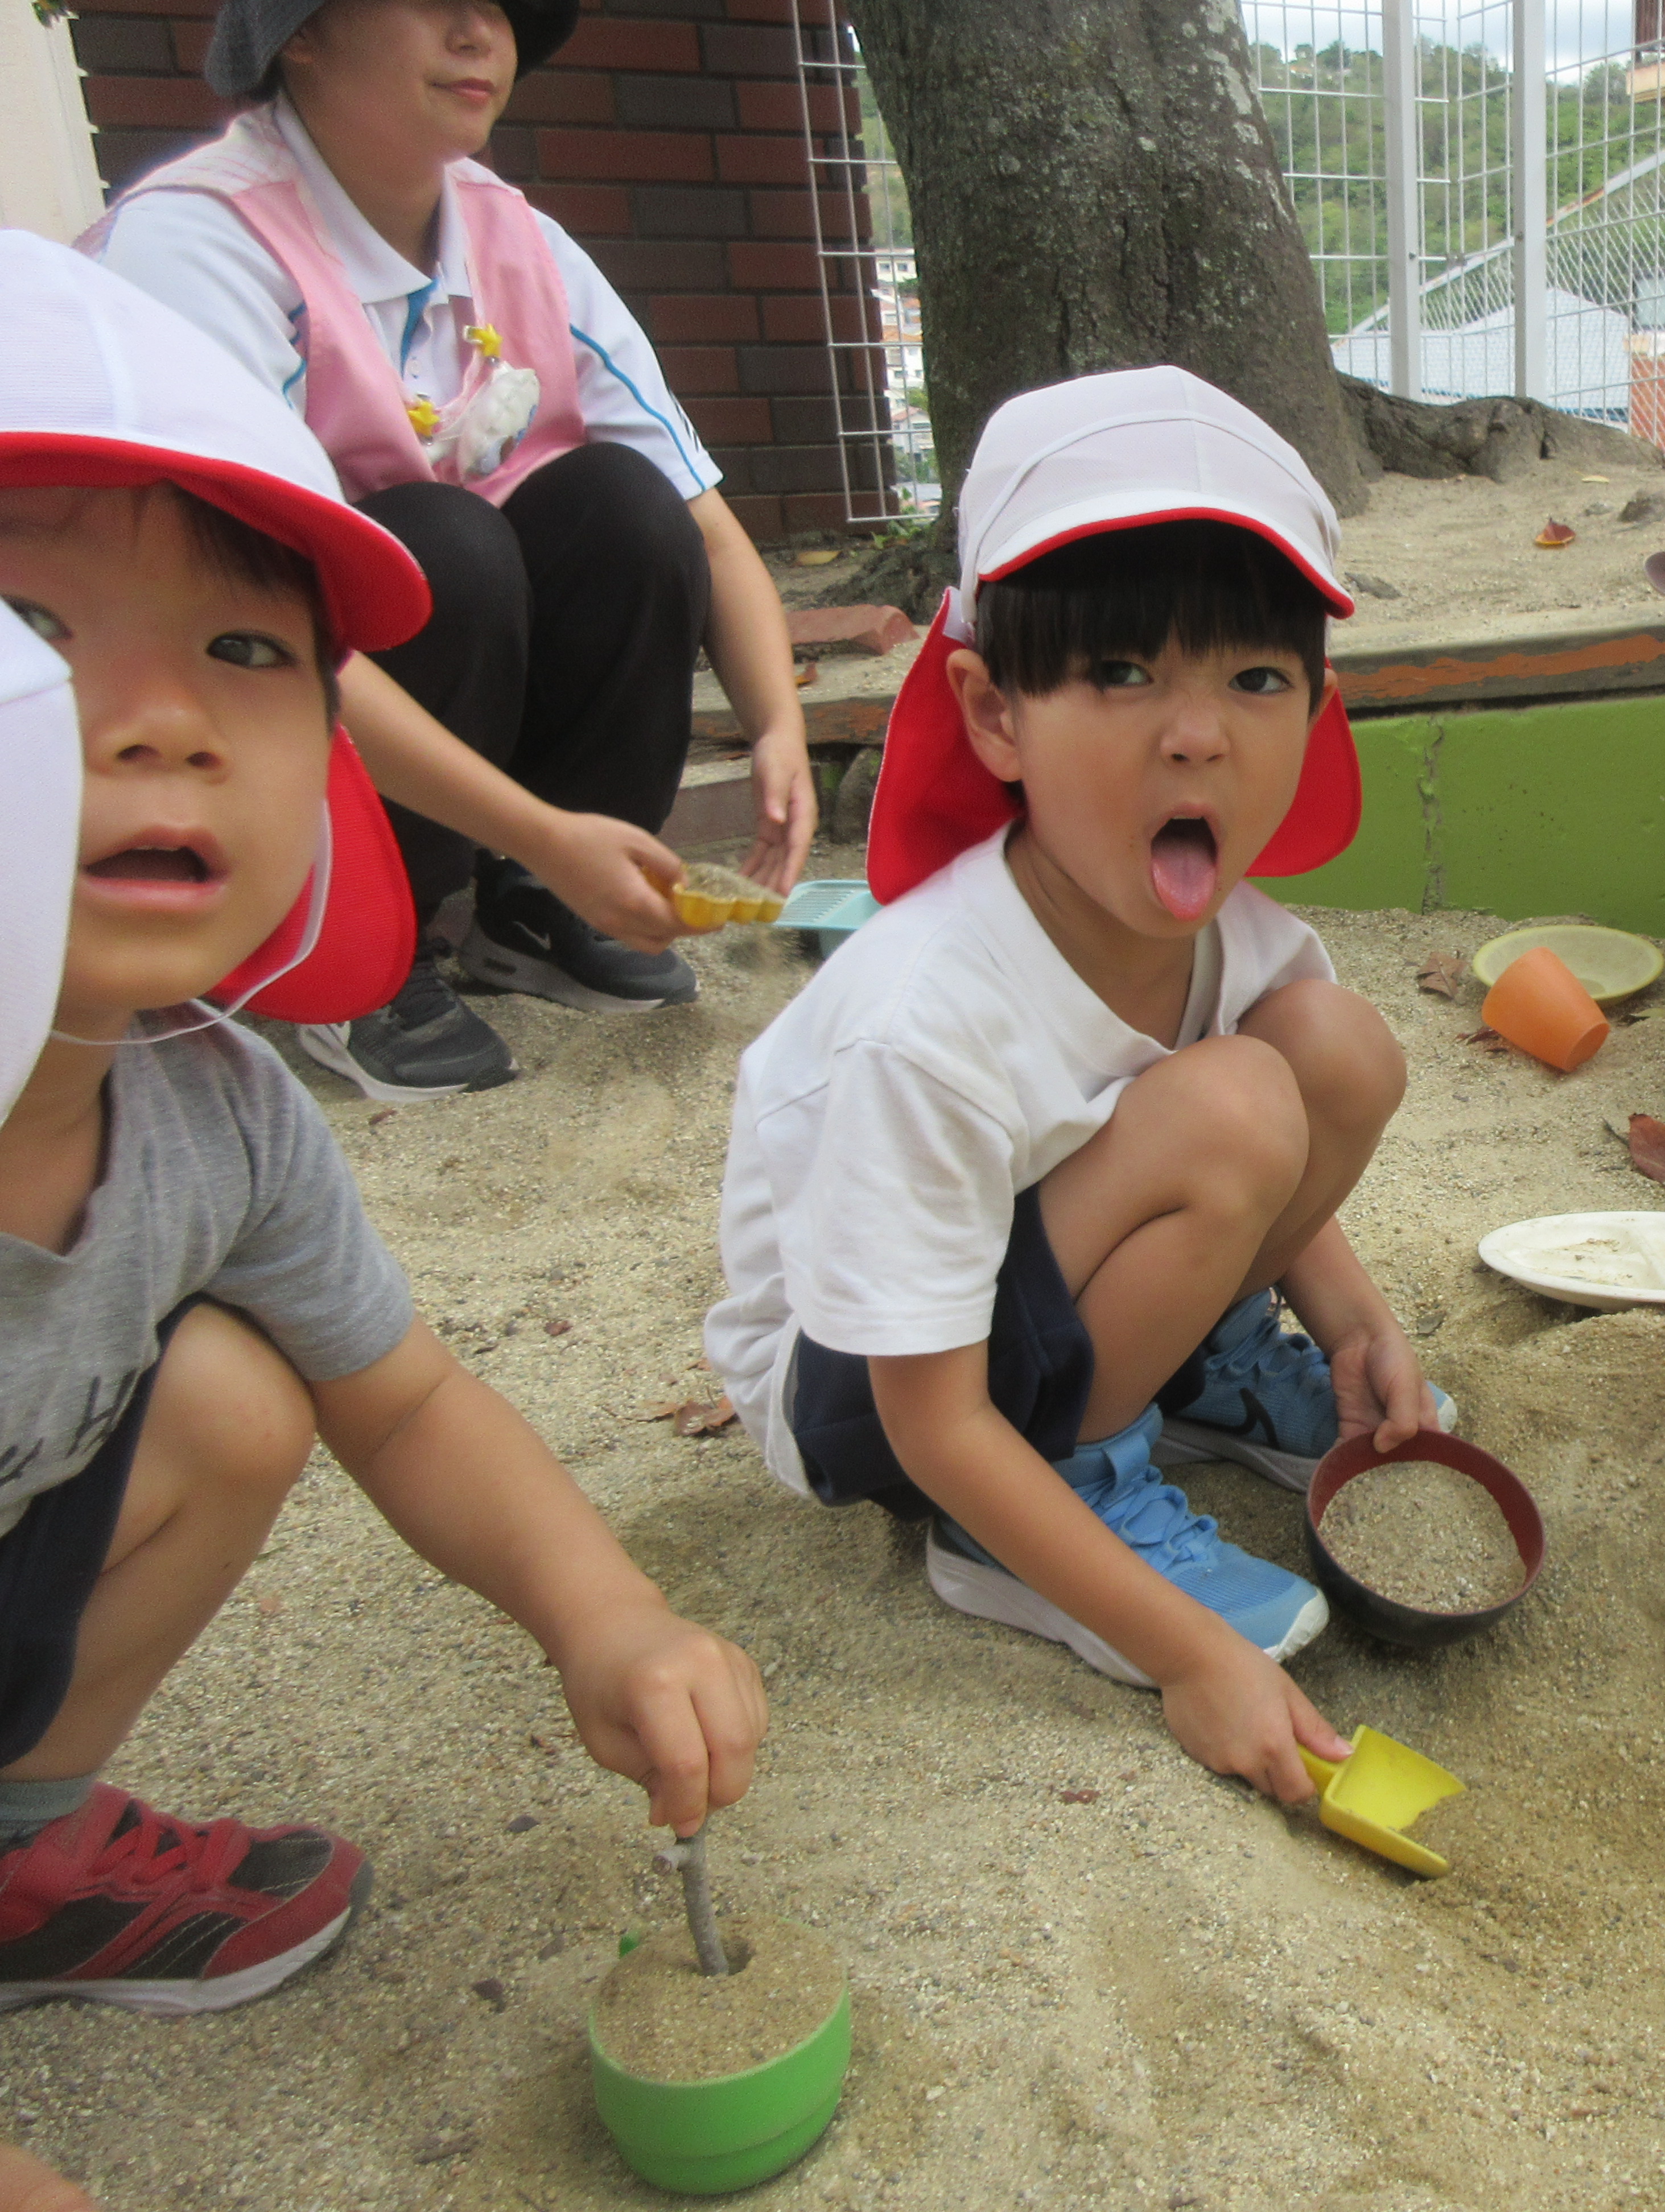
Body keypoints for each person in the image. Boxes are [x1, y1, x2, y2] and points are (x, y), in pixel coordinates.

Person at [0, 242, 764, 2186]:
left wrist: (604, 1612)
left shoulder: (211, 1106)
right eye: (34, 625)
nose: (165, 722)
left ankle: (20, 1852)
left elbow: (406, 1402)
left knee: (243, 1394)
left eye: (246, 653)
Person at [708, 368, 1443, 1805]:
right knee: (1236, 1107)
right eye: (1120, 673)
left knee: (1331, 1049)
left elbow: (1273, 1130)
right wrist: (1184, 1655)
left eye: (1256, 679)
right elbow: (924, 1418)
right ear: (994, 713)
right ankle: (1039, 1509)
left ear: (1318, 710)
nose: (1197, 734)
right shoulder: (924, 1020)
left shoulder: (1240, 937)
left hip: (1027, 1277)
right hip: (870, 1384)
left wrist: (1357, 1323)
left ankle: (1193, 1367)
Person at [87, 0, 816, 1104]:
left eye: (503, 7)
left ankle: (535, 911)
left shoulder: (517, 241)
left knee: (624, 509)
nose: (481, 33)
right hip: (204, 669)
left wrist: (779, 733)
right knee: (440, 550)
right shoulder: (197, 245)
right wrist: (545, 829)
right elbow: (242, 621)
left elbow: (701, 522)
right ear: (301, 32)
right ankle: (355, 944)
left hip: (387, 652)